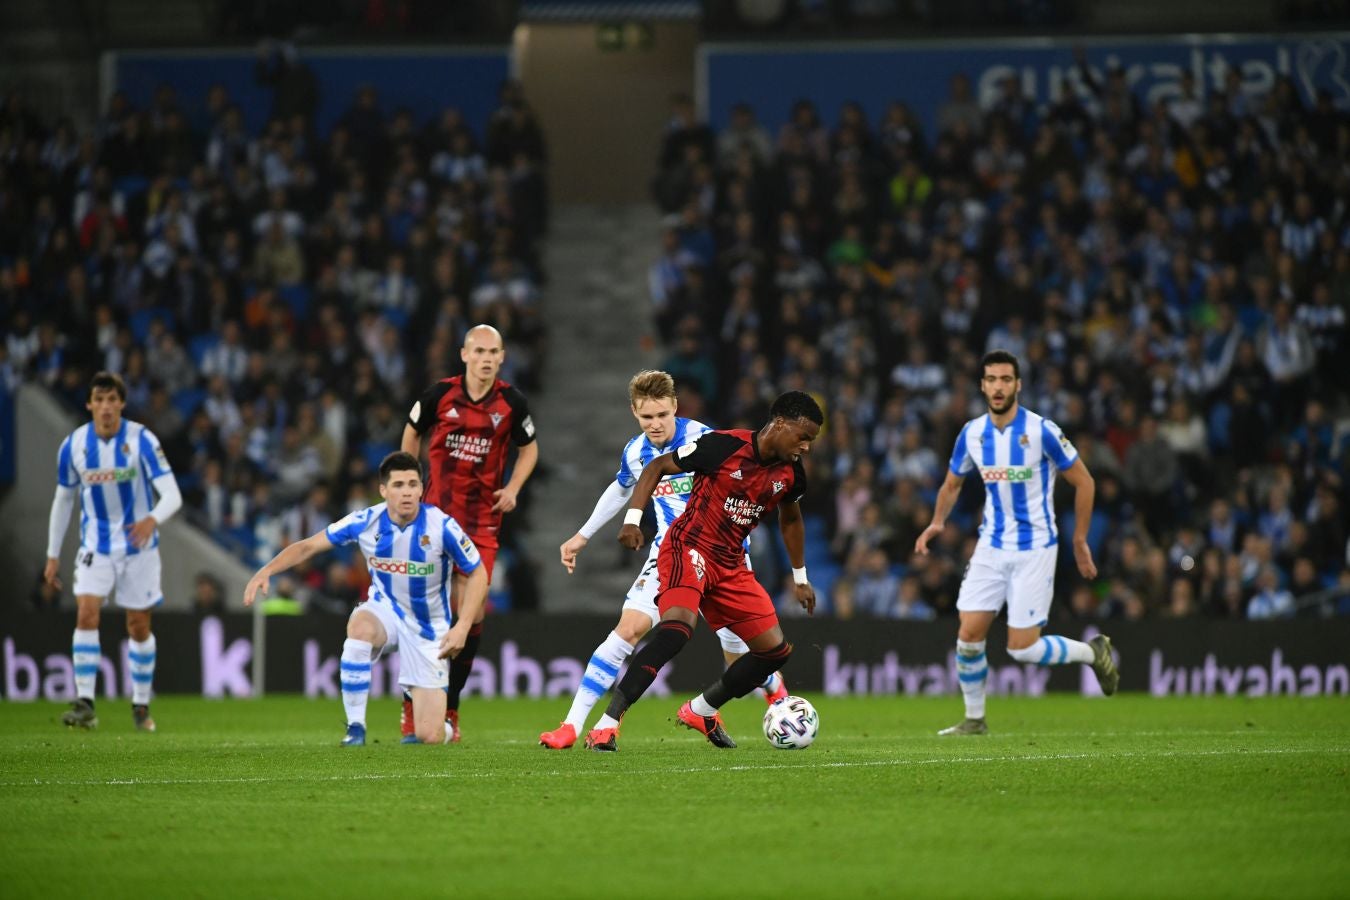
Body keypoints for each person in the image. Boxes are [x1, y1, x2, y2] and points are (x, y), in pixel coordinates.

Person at [539, 370, 787, 750]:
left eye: (661, 415)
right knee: (627, 630)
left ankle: (777, 696)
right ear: (634, 413)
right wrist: (582, 536)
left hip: (724, 557)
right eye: (645, 417)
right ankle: (572, 726)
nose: (654, 425)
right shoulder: (635, 452)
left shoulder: (706, 440)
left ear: (675, 407)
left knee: (740, 660)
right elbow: (621, 489)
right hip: (670, 554)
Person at [583, 391, 824, 752]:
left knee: (774, 651)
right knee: (677, 629)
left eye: (811, 440)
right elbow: (657, 467)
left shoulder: (792, 475)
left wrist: (800, 577)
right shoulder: (722, 446)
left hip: (731, 565)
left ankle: (701, 709)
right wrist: (633, 519)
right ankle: (606, 725)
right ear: (779, 424)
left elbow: (790, 519)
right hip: (688, 547)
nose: (806, 446)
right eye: (802, 436)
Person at [915, 350, 1119, 736]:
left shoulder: (1042, 431)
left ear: (1018, 385)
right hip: (992, 544)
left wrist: (1079, 539)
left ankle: (1094, 653)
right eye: (991, 379)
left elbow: (1085, 481)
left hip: (1036, 546)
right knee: (969, 633)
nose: (997, 386)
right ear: (982, 385)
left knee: (1022, 648)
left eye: (1005, 379)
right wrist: (937, 522)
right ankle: (974, 719)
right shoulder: (972, 433)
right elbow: (952, 484)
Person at [243, 452, 488, 746]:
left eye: (413, 484)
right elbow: (309, 547)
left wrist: (461, 627)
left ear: (422, 489)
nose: (407, 491)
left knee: (429, 736)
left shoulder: (442, 526)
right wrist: (267, 570)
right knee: (359, 629)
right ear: (383, 490)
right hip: (385, 610)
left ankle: (442, 725)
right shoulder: (366, 521)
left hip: (428, 627)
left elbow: (478, 573)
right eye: (398, 485)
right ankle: (355, 728)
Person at [401, 324, 538, 742]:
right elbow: (412, 432)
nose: (485, 358)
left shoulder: (512, 402)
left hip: (481, 524)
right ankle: (412, 707)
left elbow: (529, 447)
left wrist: (513, 488)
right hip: (434, 520)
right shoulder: (439, 395)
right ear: (464, 354)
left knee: (473, 615)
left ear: (501, 357)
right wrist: (409, 483)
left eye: (492, 352)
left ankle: (452, 708)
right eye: (478, 350)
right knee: (426, 613)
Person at [44, 371, 183, 732]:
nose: (105, 407)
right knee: (87, 612)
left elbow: (173, 495)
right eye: (99, 400)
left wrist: (151, 519)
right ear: (90, 403)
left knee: (138, 626)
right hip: (96, 546)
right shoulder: (73, 446)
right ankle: (86, 702)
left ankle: (140, 704)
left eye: (112, 400)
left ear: (121, 403)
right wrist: (52, 553)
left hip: (139, 548)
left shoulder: (142, 441)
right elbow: (63, 500)